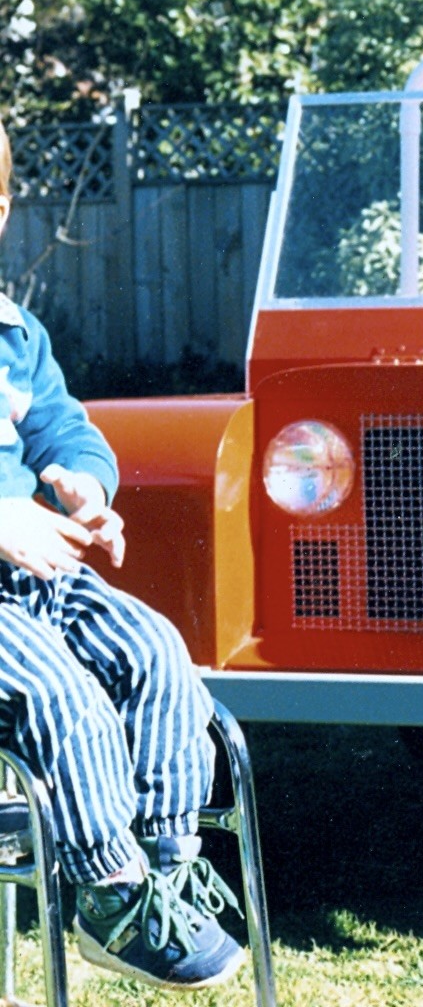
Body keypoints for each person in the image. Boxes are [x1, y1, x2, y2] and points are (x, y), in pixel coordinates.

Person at [0, 116, 243, 989]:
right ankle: (109, 895)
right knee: (65, 699)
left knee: (155, 650)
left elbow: (66, 429)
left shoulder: (14, 335)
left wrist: (83, 488)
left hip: (36, 575)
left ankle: (167, 867)